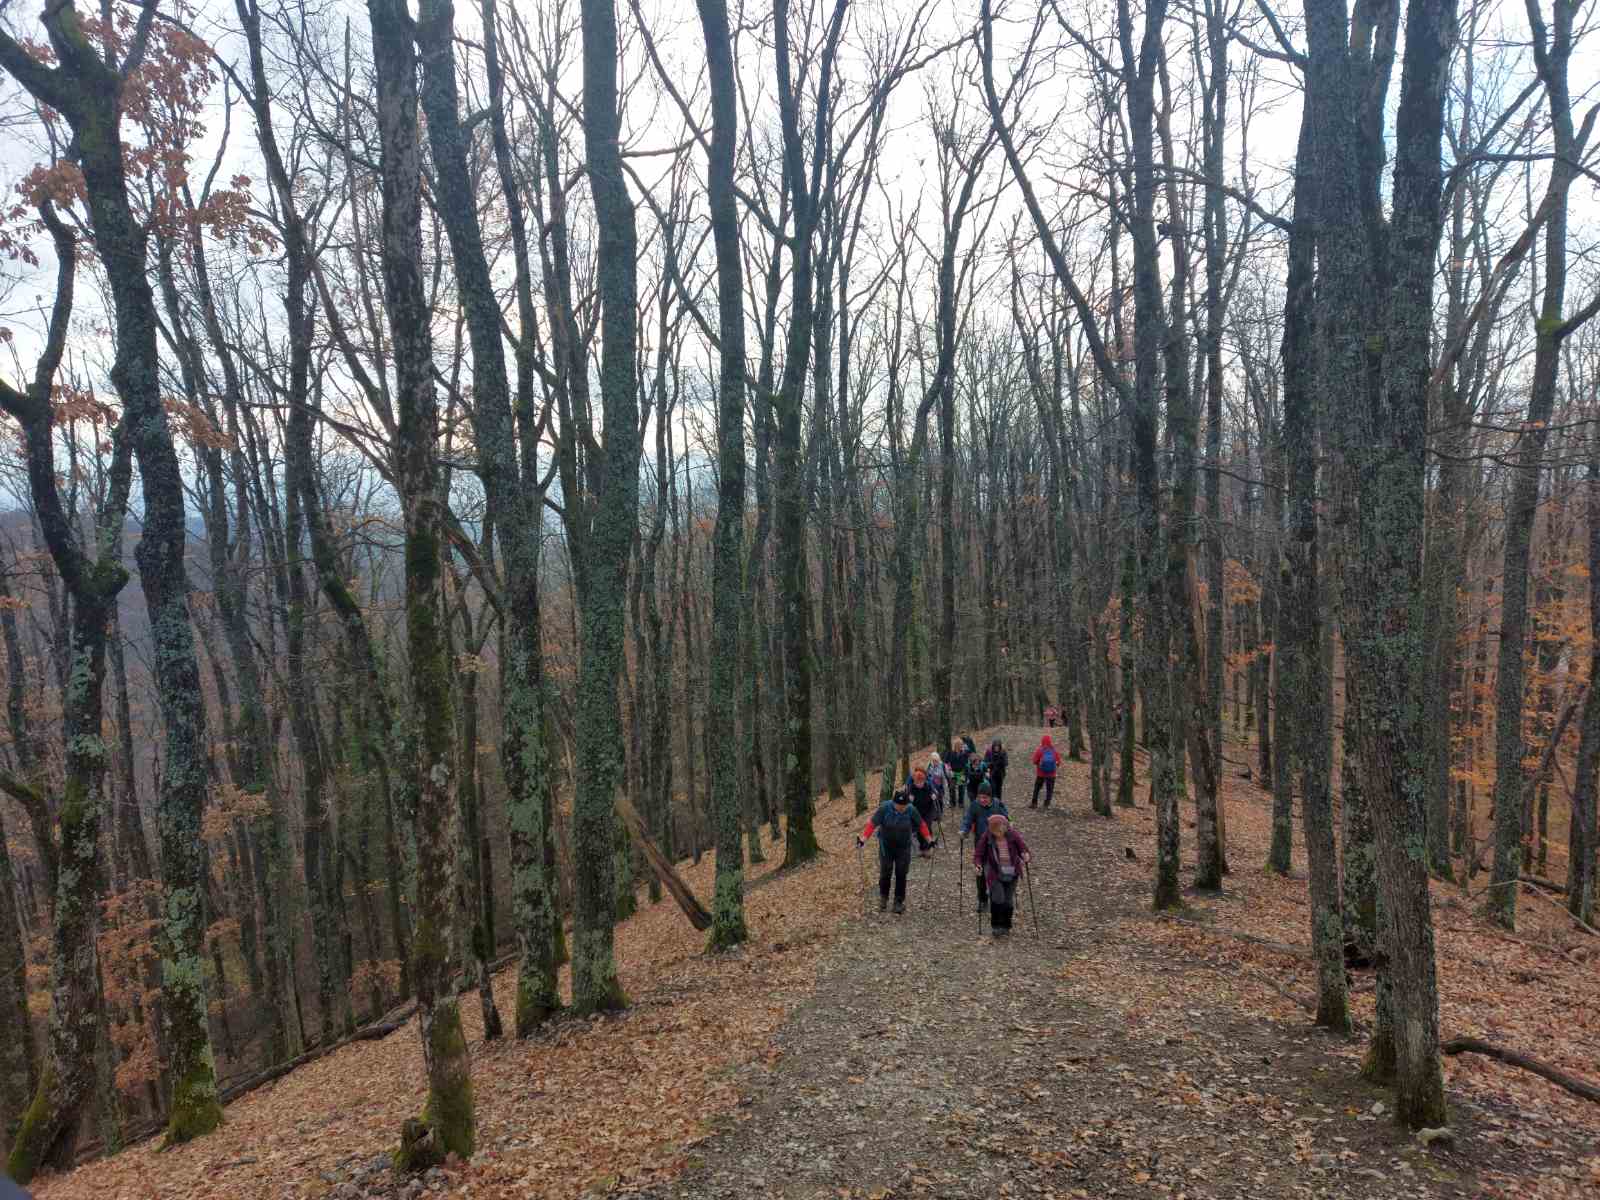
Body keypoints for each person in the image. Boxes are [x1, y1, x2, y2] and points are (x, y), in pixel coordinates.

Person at [858, 788, 936, 913]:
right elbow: (872, 824)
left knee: (901, 873)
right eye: (899, 806)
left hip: (903, 847)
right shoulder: (885, 808)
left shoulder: (911, 809)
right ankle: (883, 898)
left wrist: (929, 840)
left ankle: (898, 902)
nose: (901, 808)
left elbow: (921, 824)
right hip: (886, 846)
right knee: (885, 872)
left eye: (903, 806)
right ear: (893, 802)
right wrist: (863, 839)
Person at [974, 812, 1030, 938]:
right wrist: (978, 865)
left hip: (1012, 872)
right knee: (998, 898)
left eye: (1000, 829)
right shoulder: (987, 836)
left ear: (1005, 826)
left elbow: (1023, 848)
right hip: (994, 872)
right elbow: (978, 854)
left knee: (1008, 901)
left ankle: (1006, 925)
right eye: (995, 830)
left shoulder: (1013, 834)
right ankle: (996, 925)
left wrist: (1025, 855)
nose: (998, 833)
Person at [960, 780, 1009, 911]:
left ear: (990, 797)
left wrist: (1008, 827)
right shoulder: (975, 805)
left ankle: (998, 898)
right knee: (980, 872)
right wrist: (964, 830)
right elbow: (968, 819)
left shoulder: (998, 805)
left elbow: (1007, 819)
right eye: (980, 797)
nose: (982, 800)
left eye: (985, 797)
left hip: (997, 844)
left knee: (997, 872)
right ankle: (982, 900)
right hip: (980, 844)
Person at [903, 765, 938, 832]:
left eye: (921, 782)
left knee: (927, 826)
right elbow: (906, 797)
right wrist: (909, 799)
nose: (919, 784)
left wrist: (934, 795)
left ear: (924, 780)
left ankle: (929, 837)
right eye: (917, 783)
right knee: (918, 828)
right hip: (917, 810)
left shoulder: (928, 785)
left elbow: (934, 792)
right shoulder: (912, 787)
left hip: (928, 810)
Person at [1031, 733, 1059, 808]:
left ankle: (1034, 803)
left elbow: (1034, 761)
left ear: (1042, 741)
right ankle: (1047, 804)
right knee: (1049, 789)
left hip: (1041, 773)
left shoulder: (1039, 750)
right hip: (1051, 774)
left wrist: (1039, 764)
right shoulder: (1054, 750)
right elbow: (1058, 762)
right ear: (1050, 741)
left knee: (1037, 788)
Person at [985, 738, 1009, 804]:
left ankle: (999, 802)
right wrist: (991, 763)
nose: (996, 748)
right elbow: (985, 762)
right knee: (993, 788)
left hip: (1000, 773)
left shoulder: (1003, 752)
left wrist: (1002, 760)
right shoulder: (989, 752)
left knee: (999, 788)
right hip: (992, 773)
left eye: (998, 746)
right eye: (995, 746)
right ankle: (994, 802)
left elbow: (1006, 763)